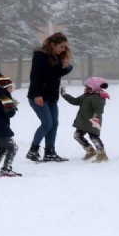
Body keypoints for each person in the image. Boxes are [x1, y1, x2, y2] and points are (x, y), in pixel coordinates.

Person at [25, 32, 73, 162]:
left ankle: (50, 152)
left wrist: (67, 66)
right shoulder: (40, 56)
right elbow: (34, 77)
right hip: (38, 97)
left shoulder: (58, 57)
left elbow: (56, 74)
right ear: (52, 44)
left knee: (54, 124)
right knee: (47, 123)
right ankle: (33, 151)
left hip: (52, 97)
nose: (63, 49)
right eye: (61, 46)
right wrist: (37, 95)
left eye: (65, 47)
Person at [60, 76, 110, 163]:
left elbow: (99, 109)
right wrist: (65, 95)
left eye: (86, 86)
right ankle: (90, 151)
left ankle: (102, 154)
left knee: (94, 137)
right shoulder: (86, 95)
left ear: (92, 87)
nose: (85, 87)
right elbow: (75, 101)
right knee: (77, 135)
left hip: (93, 122)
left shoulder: (98, 97)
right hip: (83, 121)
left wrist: (95, 118)